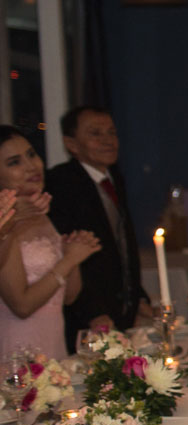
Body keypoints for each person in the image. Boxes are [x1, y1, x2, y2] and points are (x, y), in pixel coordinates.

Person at [45, 105, 149, 349]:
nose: (108, 140)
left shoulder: (114, 178)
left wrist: (137, 297)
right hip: (88, 317)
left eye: (111, 132)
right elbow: (67, 253)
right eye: (95, 134)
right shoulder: (61, 183)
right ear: (71, 144)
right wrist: (92, 312)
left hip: (120, 309)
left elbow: (120, 244)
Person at [0, 131, 93, 359]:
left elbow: (69, 296)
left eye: (32, 155)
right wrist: (69, 260)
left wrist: (72, 256)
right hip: (19, 349)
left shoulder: (42, 211)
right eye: (14, 162)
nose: (31, 166)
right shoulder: (5, 224)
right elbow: (21, 306)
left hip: (52, 343)